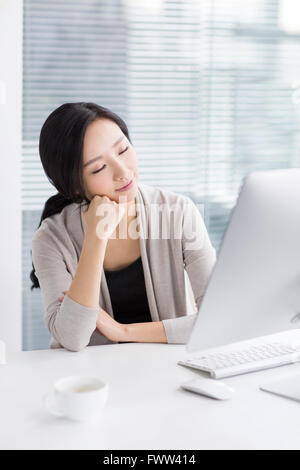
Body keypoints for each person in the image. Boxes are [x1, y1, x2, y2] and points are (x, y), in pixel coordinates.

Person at [30, 102, 216, 351]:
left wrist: (123, 331)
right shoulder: (51, 238)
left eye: (123, 150)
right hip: (92, 379)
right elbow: (72, 337)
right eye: (99, 168)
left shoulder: (178, 212)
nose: (123, 171)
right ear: (75, 186)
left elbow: (216, 319)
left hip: (167, 370)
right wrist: (96, 238)